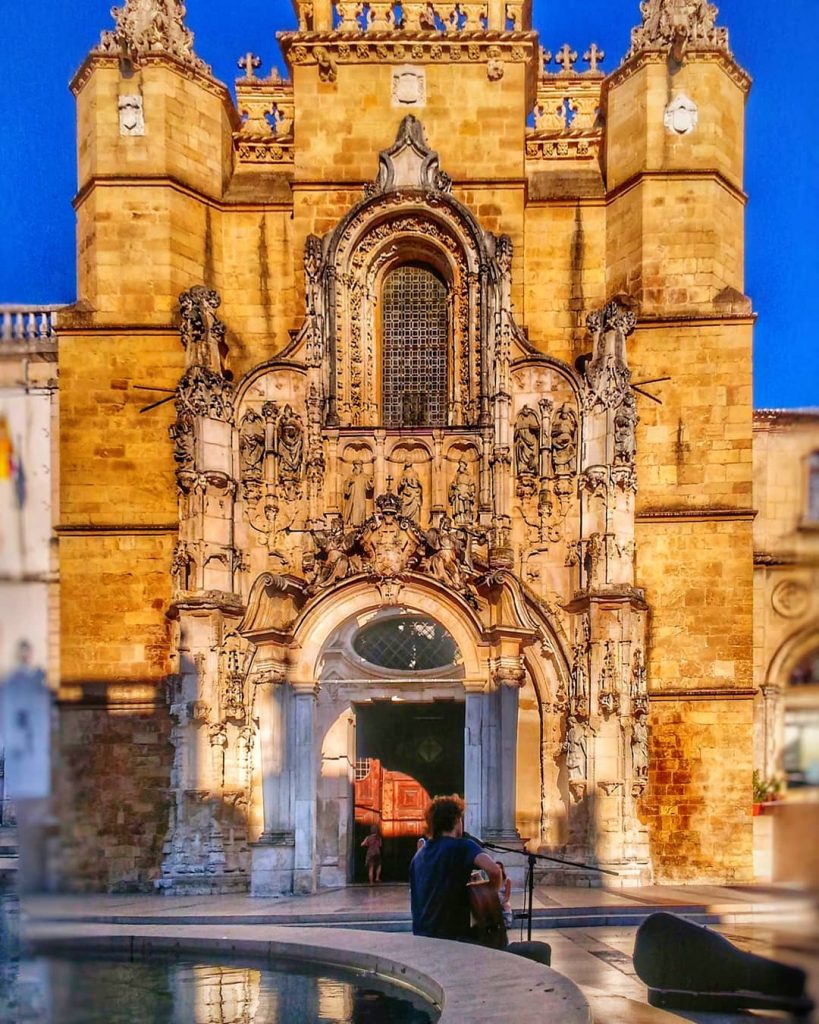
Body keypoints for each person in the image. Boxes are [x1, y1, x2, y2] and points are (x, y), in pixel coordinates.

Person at [409, 794, 501, 941]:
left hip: (422, 937)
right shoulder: (463, 846)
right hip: (453, 939)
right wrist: (489, 894)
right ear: (457, 820)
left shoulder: (418, 856)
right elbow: (494, 870)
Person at [496, 861, 513, 929]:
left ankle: (508, 922)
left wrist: (502, 902)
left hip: (503, 898)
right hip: (493, 898)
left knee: (507, 906)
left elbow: (507, 895)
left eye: (499, 868)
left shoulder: (507, 880)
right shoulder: (491, 878)